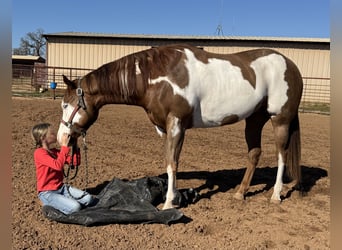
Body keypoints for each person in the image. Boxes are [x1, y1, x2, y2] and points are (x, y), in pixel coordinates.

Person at [31, 122, 94, 215]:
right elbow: (57, 165)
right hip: (47, 192)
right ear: (43, 138)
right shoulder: (39, 153)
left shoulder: (55, 152)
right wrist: (64, 146)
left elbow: (75, 162)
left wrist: (75, 145)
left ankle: (60, 201)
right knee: (75, 207)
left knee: (89, 199)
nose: (55, 135)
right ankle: (46, 202)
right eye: (52, 133)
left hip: (61, 188)